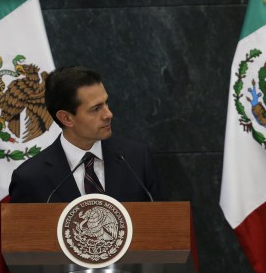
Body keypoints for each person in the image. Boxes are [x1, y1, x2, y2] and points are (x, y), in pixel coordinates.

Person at [9, 66, 159, 203]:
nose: (109, 114)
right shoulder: (30, 178)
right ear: (66, 118)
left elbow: (164, 222)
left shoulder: (136, 158)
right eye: (96, 109)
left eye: (106, 103)